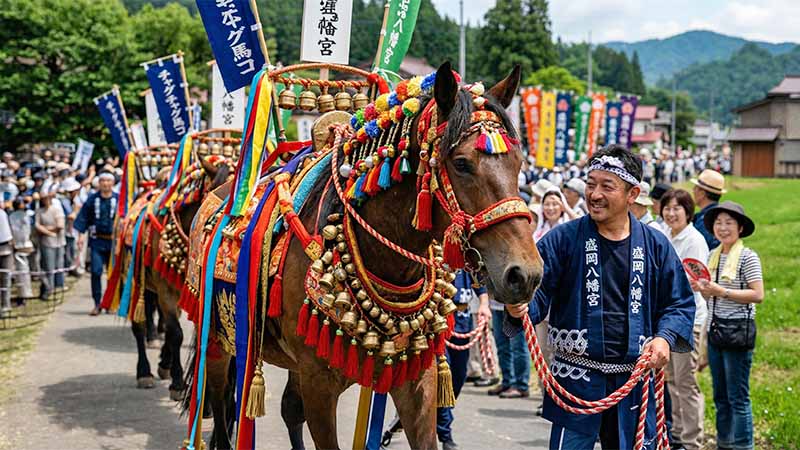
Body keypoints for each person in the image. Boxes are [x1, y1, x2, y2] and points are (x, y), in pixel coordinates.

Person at [505, 145, 696, 450]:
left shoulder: (655, 245)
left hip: (633, 382)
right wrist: (520, 307)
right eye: (591, 184)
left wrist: (664, 338)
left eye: (607, 186)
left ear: (632, 194)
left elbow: (679, 302)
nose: (594, 194)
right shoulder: (563, 239)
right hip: (577, 379)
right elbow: (537, 293)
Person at [691, 202, 763, 450]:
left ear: (740, 228)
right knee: (720, 396)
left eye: (729, 223)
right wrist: (703, 290)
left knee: (738, 397)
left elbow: (758, 294)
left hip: (738, 332)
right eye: (718, 223)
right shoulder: (713, 256)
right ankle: (724, 444)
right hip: (716, 332)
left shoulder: (747, 257)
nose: (722, 228)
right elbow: (710, 300)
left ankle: (743, 446)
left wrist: (721, 291)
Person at [660, 189, 709, 450]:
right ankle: (677, 433)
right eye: (668, 208)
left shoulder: (694, 240)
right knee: (671, 380)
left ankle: (692, 440)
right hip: (668, 319)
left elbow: (695, 282)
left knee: (686, 381)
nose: (671, 212)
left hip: (690, 320)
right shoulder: (665, 235)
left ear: (688, 212)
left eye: (677, 208)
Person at [436, 269, 491, 449]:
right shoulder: (438, 256)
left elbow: (480, 283)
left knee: (459, 377)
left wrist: (484, 304)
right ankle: (445, 434)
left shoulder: (466, 260)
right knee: (444, 377)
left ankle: (436, 414)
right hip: (440, 323)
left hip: (463, 323)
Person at [74, 171, 118, 315]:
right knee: (96, 271)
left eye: (108, 181)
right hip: (96, 241)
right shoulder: (92, 199)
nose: (105, 183)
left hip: (113, 243)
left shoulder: (118, 200)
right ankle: (97, 303)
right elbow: (83, 219)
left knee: (113, 274)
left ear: (113, 183)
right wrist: (80, 236)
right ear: (99, 183)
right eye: (103, 181)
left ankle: (111, 303)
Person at [35, 184, 65, 301]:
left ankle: (57, 287)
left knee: (57, 266)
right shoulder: (40, 211)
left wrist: (47, 229)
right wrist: (48, 230)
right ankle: (48, 288)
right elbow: (37, 226)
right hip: (46, 243)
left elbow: (60, 225)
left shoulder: (56, 210)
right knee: (47, 267)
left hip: (57, 242)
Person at [691, 169, 726, 249]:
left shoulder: (706, 220)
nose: (693, 190)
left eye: (695, 188)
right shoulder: (718, 214)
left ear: (702, 193)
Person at [9, 198, 34, 300]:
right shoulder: (18, 216)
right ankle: (24, 293)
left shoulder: (23, 215)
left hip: (22, 245)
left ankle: (25, 292)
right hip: (21, 245)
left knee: (24, 270)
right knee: (23, 270)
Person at [0, 203, 12, 316]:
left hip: (6, 248)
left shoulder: (3, 214)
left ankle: (5, 305)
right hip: (6, 247)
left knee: (6, 279)